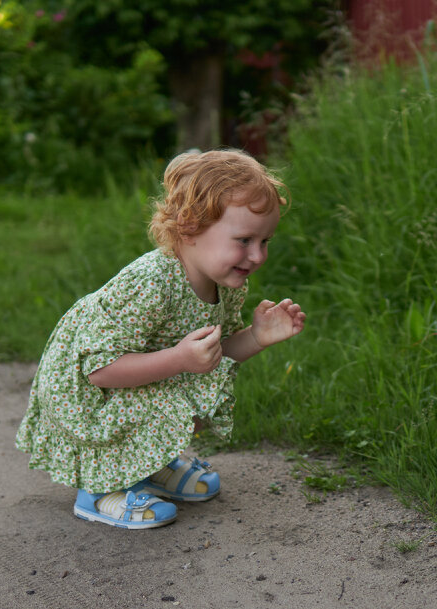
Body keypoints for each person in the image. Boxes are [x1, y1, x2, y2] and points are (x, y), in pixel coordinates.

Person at [16, 149, 305, 529]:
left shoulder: (225, 284)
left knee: (199, 384)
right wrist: (180, 360)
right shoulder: (153, 282)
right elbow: (99, 371)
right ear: (189, 228)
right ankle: (100, 490)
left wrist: (257, 337)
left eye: (265, 241)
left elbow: (211, 356)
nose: (257, 255)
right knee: (179, 386)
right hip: (88, 391)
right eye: (244, 240)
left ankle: (150, 465)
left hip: (137, 374)